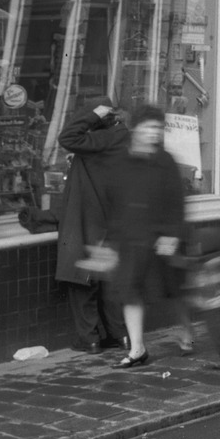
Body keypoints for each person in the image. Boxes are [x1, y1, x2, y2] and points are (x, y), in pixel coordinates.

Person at [106, 105, 190, 369]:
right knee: (131, 292)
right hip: (131, 238)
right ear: (136, 129)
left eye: (158, 128)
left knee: (172, 291)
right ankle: (137, 348)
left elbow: (177, 202)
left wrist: (172, 235)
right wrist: (110, 238)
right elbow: (114, 199)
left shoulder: (166, 162)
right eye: (149, 127)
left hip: (161, 238)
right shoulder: (121, 161)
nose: (155, 133)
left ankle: (186, 329)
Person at [55, 99, 130, 353]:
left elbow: (67, 137)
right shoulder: (123, 139)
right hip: (114, 219)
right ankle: (120, 335)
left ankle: (90, 339)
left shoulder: (101, 140)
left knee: (83, 279)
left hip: (89, 219)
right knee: (108, 280)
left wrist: (92, 115)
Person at [182, 225, 220, 368]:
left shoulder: (214, 262)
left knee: (215, 330)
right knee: (214, 330)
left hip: (217, 304)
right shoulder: (213, 261)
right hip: (212, 304)